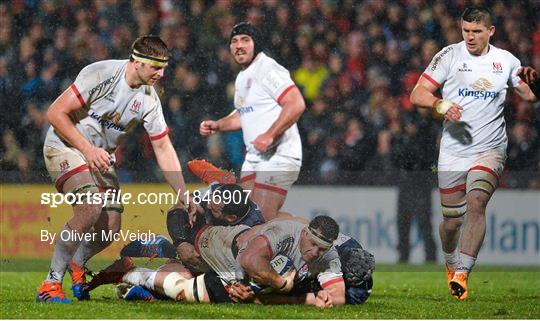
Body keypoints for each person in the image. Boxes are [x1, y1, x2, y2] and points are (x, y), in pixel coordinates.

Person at [36, 35, 194, 303]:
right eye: (156, 67)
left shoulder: (149, 99)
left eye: (164, 67)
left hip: (99, 156)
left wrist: (182, 193)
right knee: (90, 206)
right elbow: (55, 113)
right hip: (65, 146)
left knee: (110, 228)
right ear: (136, 62)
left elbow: (163, 147)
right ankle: (50, 284)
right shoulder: (101, 73)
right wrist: (88, 150)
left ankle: (78, 262)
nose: (162, 73)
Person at [410, 6, 538, 300]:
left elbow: (529, 95)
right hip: (454, 152)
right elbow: (417, 93)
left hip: (490, 148)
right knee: (452, 222)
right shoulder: (449, 56)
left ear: (490, 31)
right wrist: (440, 105)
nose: (470, 37)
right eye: (466, 31)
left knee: (477, 201)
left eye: (477, 31)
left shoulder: (505, 61)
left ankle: (463, 274)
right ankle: (450, 260)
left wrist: (536, 83)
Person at [88, 216, 344, 307]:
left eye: (322, 249)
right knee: (189, 290)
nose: (315, 253)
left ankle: (138, 278)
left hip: (239, 264)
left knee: (191, 280)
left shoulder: (326, 255)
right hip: (220, 245)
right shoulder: (284, 234)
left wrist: (327, 298)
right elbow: (249, 260)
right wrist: (284, 286)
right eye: (312, 245)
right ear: (304, 234)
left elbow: (338, 294)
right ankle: (128, 274)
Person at [199, 22, 306, 221]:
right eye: (234, 41)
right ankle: (309, 233)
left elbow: (296, 103)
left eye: (245, 40)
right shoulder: (242, 78)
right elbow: (243, 115)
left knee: (261, 218)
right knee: (244, 215)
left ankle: (332, 242)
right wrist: (218, 125)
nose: (239, 45)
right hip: (254, 157)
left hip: (278, 154)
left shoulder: (268, 69)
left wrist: (270, 134)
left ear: (256, 44)